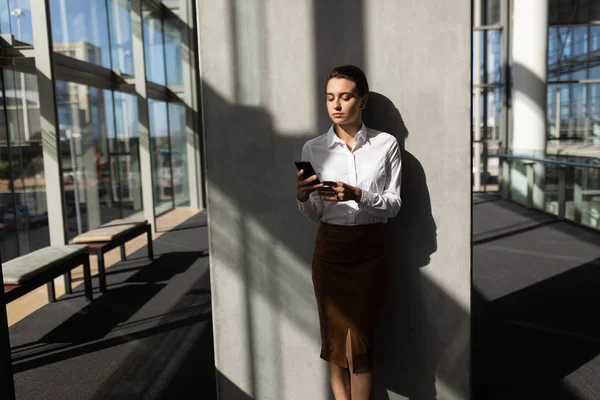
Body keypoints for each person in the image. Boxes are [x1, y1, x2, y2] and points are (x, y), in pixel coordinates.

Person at [296, 65, 402, 400]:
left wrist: (357, 194)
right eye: (330, 98)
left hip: (369, 252)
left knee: (359, 344)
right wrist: (303, 197)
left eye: (345, 97)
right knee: (333, 341)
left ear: (363, 100)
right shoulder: (313, 149)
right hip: (330, 251)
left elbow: (394, 205)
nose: (336, 105)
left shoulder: (386, 144)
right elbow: (315, 213)